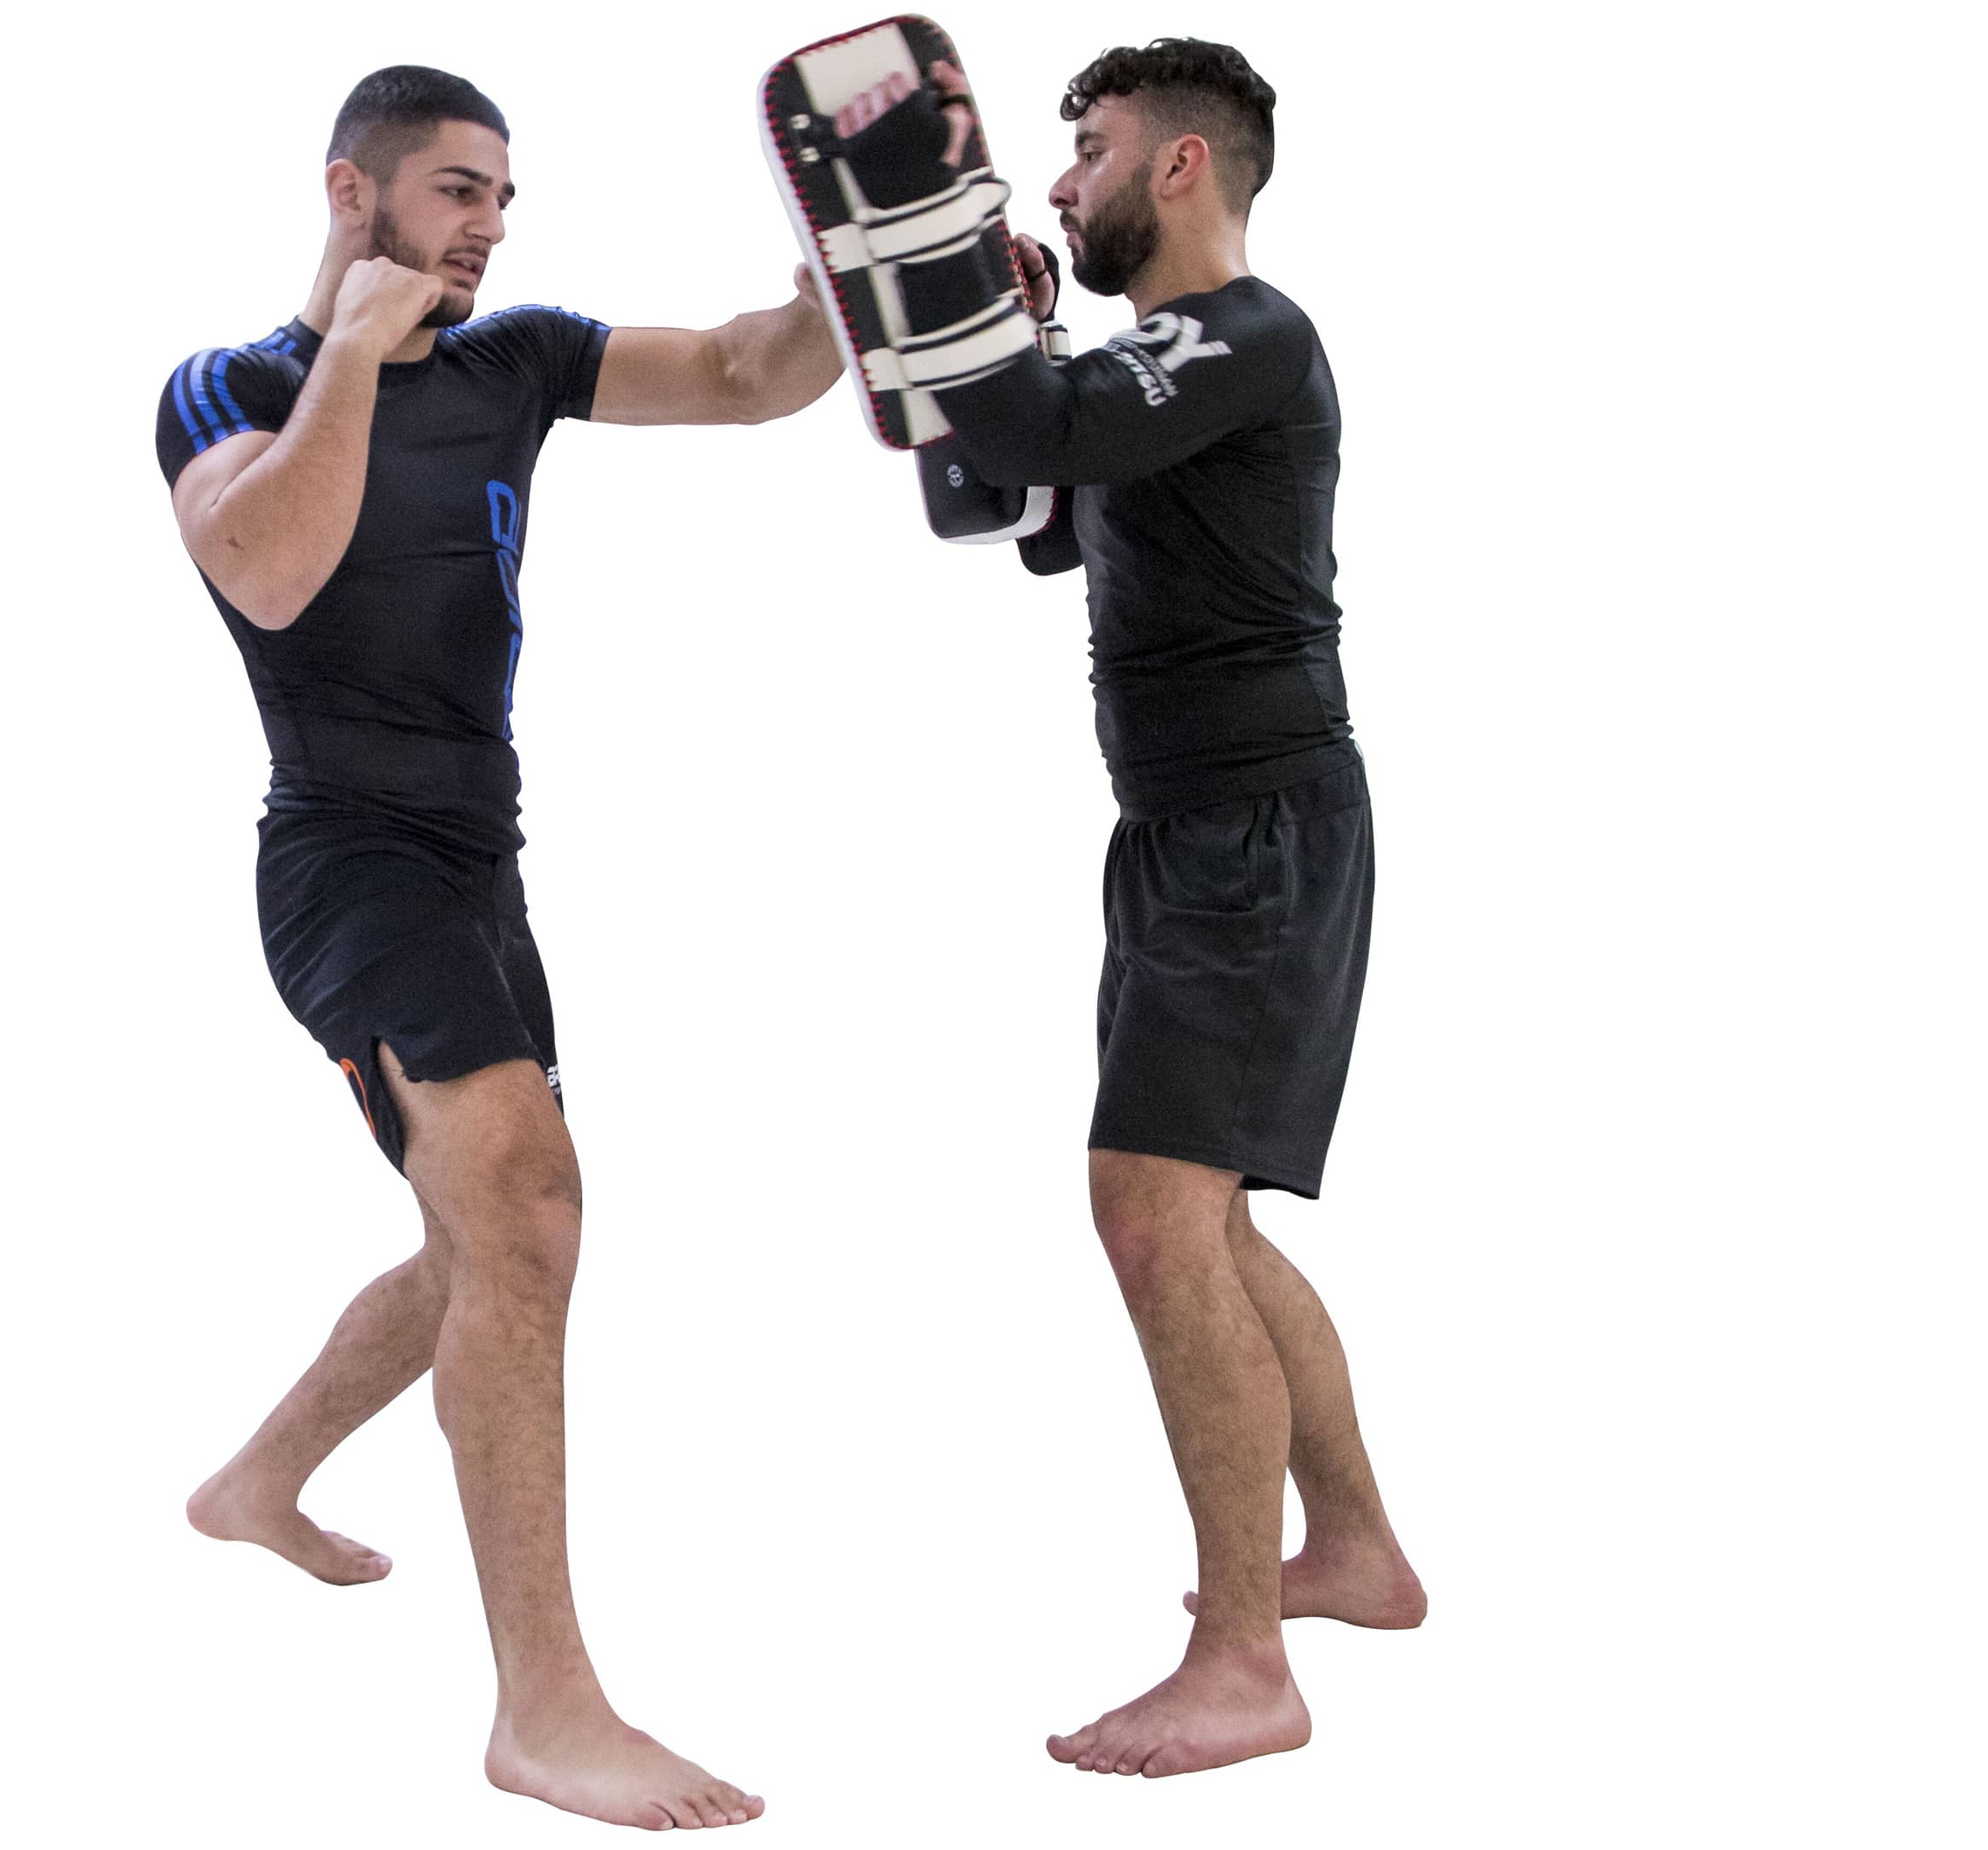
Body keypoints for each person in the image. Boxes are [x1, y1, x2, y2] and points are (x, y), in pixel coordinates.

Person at [155, 64, 839, 1831]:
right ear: (353, 192)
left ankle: (260, 1479)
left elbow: (752, 374)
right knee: (526, 1211)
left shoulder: (517, 360)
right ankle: (546, 1708)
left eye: (504, 199)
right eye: (460, 191)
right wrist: (354, 359)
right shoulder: (227, 388)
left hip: (482, 859)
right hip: (344, 861)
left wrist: (856, 285)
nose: (491, 229)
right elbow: (272, 572)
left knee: (487, 1234)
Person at [825, 38, 1427, 1777]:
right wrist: (1002, 339)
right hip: (1189, 834)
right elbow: (1001, 504)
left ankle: (1244, 1663)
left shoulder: (1249, 336)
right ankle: (1357, 1551)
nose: (1059, 182)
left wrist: (950, 287)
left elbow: (1038, 425)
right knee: (1200, 1221)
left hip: (1256, 827)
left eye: (1085, 150)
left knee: (1156, 1220)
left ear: (1180, 167)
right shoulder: (1149, 370)